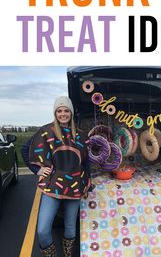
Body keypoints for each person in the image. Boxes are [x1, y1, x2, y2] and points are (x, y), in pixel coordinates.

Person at [21, 96, 91, 257]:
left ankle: (67, 254)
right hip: (52, 186)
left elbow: (85, 163)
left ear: (71, 113)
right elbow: (26, 149)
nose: (63, 114)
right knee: (43, 230)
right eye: (59, 111)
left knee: (70, 227)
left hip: (75, 187)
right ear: (55, 113)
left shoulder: (81, 135)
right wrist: (37, 170)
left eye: (66, 110)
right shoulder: (46, 132)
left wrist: (87, 183)